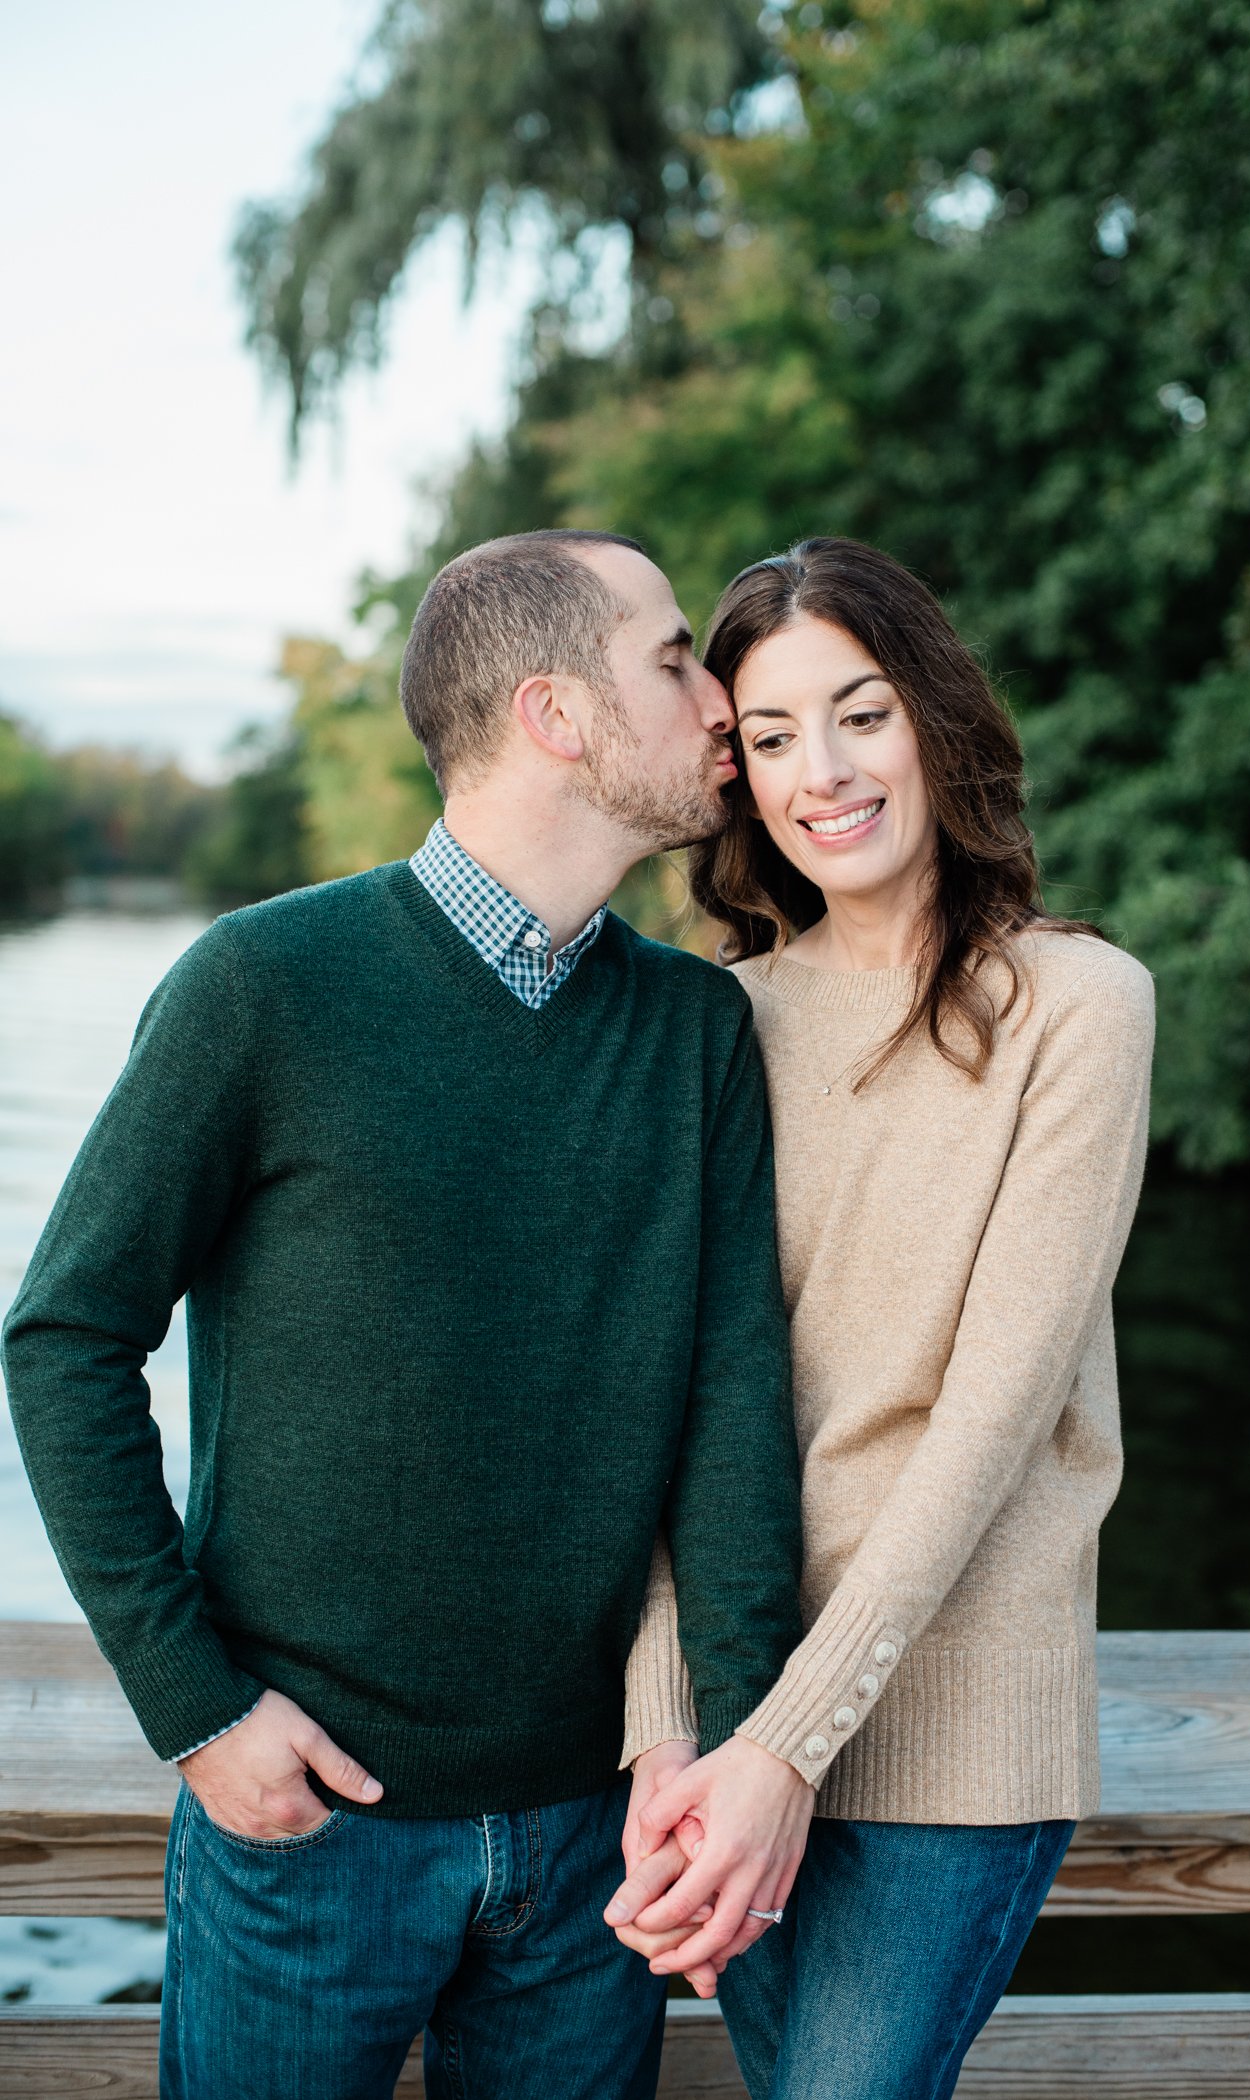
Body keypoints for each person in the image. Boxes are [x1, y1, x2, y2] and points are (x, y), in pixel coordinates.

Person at [1, 530, 816, 2100]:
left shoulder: (693, 1031)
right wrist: (197, 1709)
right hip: (310, 1830)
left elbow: (730, 1407)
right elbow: (65, 1338)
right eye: (670, 658)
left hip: (600, 1839)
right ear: (553, 714)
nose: (719, 699)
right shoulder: (265, 985)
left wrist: (707, 1740)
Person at [604, 537, 1156, 2098]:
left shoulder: (1077, 1006)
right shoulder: (722, 1017)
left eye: (858, 713)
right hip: (730, 1716)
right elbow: (674, 1408)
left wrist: (787, 1745)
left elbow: (989, 1423)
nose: (820, 773)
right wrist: (669, 1734)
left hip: (950, 1731)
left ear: (932, 716)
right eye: (769, 737)